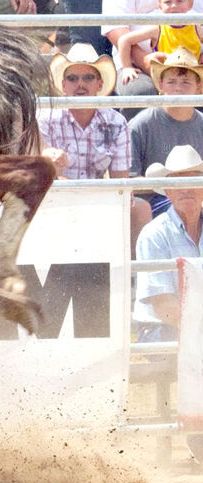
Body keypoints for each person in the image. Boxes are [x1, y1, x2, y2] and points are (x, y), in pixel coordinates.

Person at [38, 44, 151, 242]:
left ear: (99, 84)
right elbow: (43, 177)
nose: (80, 84)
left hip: (100, 201)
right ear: (64, 85)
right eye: (72, 78)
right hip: (55, 199)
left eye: (88, 78)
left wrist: (105, 196)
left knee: (139, 209)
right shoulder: (45, 118)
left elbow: (120, 182)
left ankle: (129, 272)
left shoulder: (116, 122)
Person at [134, 144, 203, 342]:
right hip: (162, 329)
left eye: (192, 180)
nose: (186, 189)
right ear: (168, 191)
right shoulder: (154, 234)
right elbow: (163, 308)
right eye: (178, 182)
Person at [129, 47, 203, 216]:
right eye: (171, 82)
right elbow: (130, 179)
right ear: (160, 85)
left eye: (186, 83)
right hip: (155, 204)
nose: (178, 89)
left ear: (198, 86)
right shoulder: (141, 124)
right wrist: (174, 191)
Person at [119, 0, 203, 85]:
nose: (173, 6)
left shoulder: (195, 28)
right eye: (168, 2)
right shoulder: (158, 29)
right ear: (160, 6)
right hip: (167, 81)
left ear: (190, 5)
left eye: (179, 1)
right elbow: (124, 40)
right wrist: (127, 67)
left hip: (192, 80)